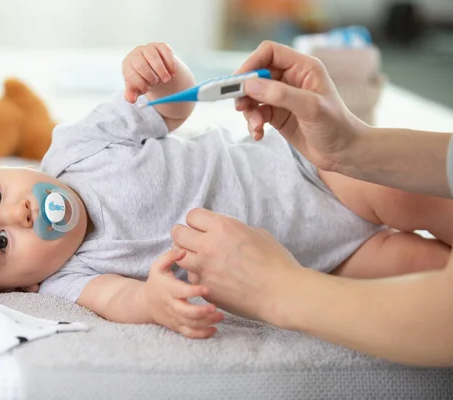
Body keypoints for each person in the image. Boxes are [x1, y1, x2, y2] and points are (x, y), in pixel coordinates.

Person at [0, 42, 452, 340]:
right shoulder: (70, 279)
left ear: (1, 166)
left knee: (415, 197)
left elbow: (172, 110)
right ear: (23, 285)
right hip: (329, 262)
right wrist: (155, 302)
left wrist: (160, 71)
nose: (22, 213)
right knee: (422, 277)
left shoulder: (77, 149)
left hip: (311, 172)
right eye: (1, 244)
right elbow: (125, 301)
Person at [170, 40, 453, 365]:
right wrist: (354, 146)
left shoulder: (97, 144)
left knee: (410, 199)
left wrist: (277, 289)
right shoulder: (95, 263)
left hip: (310, 176)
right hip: (324, 255)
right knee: (413, 266)